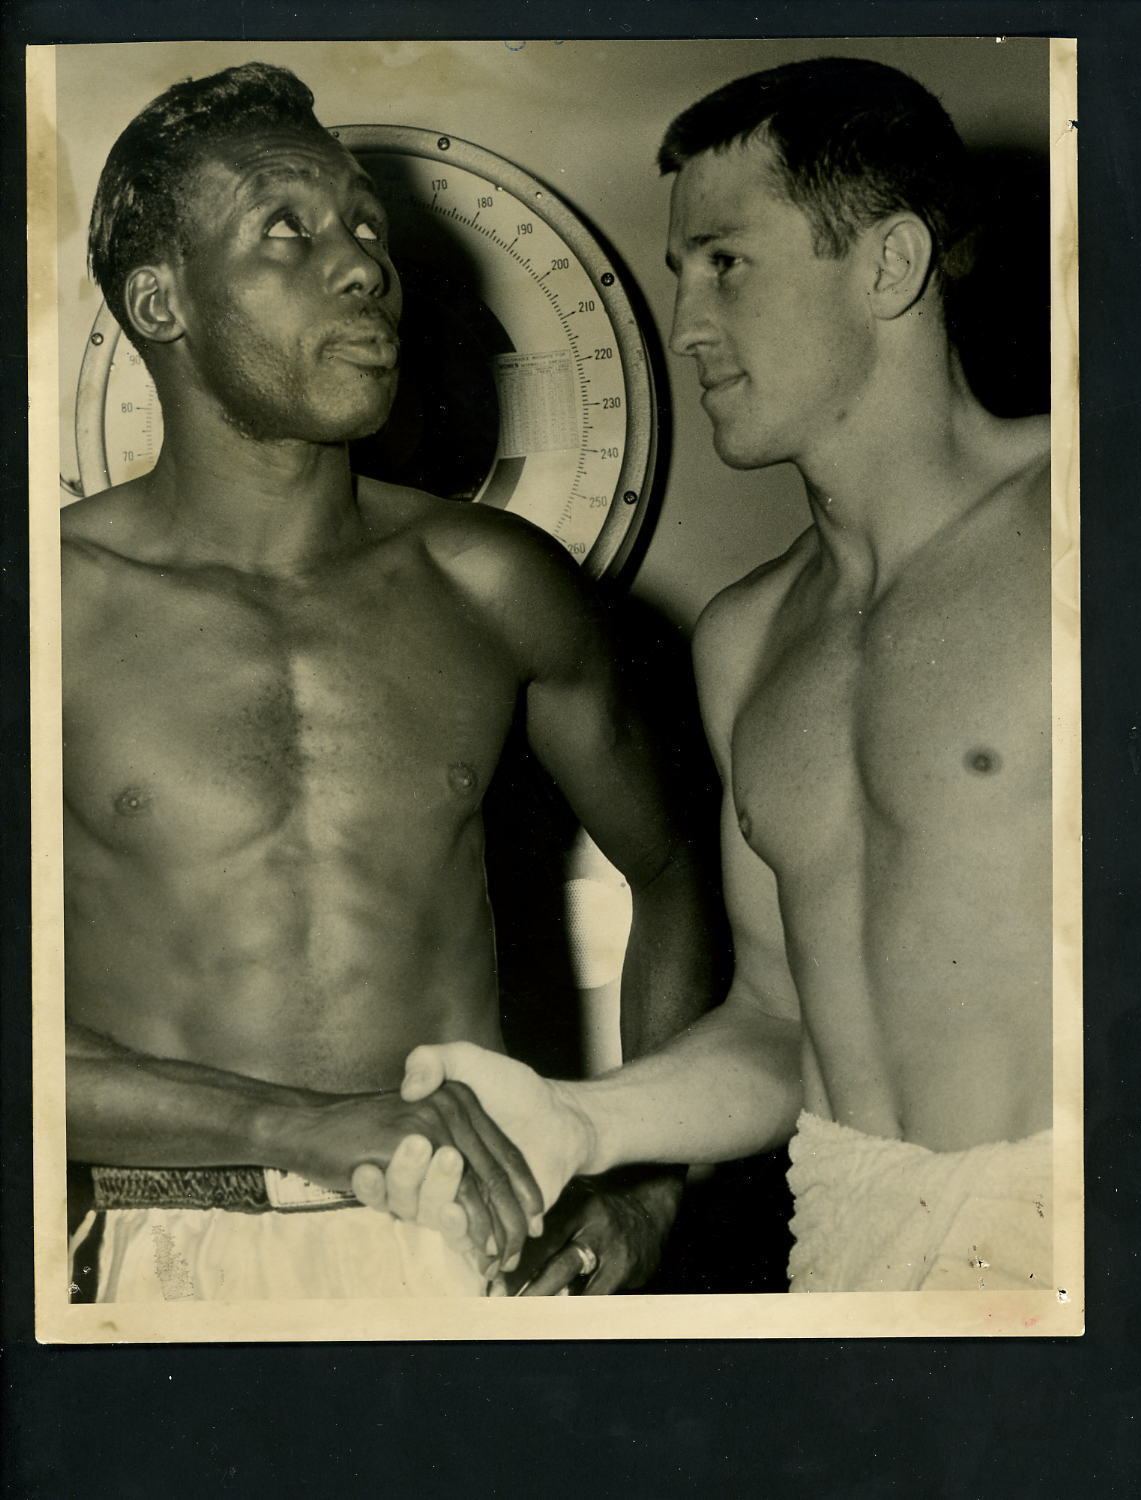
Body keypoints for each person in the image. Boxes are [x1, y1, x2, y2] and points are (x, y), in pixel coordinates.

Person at [374, 57, 1055, 1293]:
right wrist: (584, 1123)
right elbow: (778, 1025)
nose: (685, 322)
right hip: (849, 1254)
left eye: (726, 263)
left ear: (889, 266)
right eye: (681, 271)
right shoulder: (747, 637)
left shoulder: (1093, 526)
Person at [62, 62, 718, 1303]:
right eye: (284, 231)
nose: (362, 264)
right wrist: (292, 1125)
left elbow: (677, 870)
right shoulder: (51, 611)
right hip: (170, 1257)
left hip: (472, 1246)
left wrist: (646, 1176)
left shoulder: (494, 583)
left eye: (365, 224)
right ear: (163, 301)